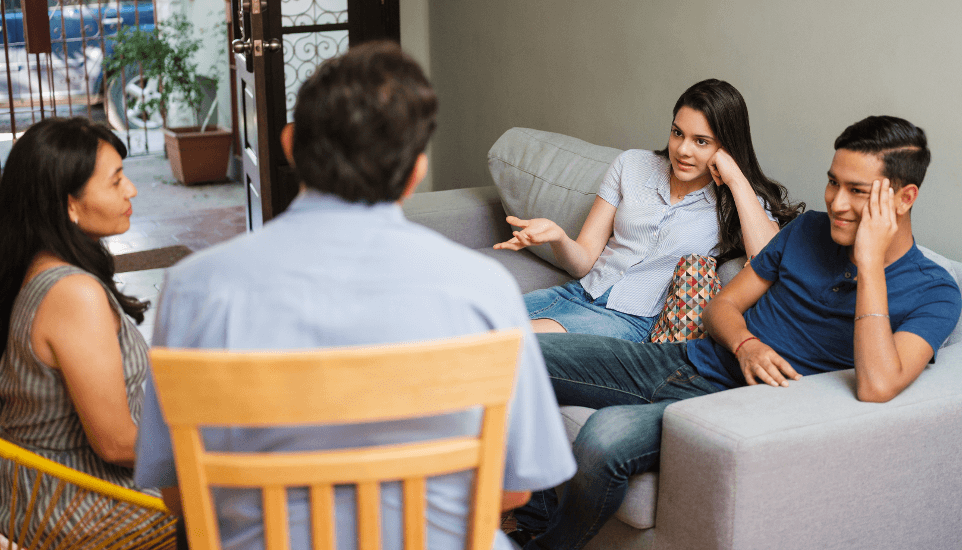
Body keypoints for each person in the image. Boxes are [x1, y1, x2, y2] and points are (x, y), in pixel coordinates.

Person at [133, 41, 576, 550]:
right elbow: (515, 491)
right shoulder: (483, 289)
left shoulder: (194, 286)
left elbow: (179, 493)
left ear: (290, 145)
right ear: (416, 172)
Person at [509, 115, 962, 550]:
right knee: (515, 355)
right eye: (833, 182)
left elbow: (878, 384)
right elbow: (720, 307)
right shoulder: (806, 230)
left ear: (904, 199)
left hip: (739, 406)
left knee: (605, 438)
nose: (836, 202)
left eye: (857, 191)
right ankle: (530, 521)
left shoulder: (935, 292)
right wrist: (745, 344)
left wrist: (870, 265)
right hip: (688, 360)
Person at [494, 79, 804, 342]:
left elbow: (766, 260)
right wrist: (559, 238)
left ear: (725, 147)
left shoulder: (740, 201)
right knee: (470, 325)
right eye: (677, 132)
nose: (682, 149)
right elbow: (583, 262)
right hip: (576, 293)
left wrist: (735, 178)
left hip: (630, 321)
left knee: (508, 345)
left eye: (701, 141)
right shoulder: (632, 165)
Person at [0, 118, 155, 537]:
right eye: (116, 181)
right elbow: (116, 443)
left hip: (48, 497)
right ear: (69, 204)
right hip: (80, 508)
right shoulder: (72, 293)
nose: (131, 191)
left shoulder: (40, 265)